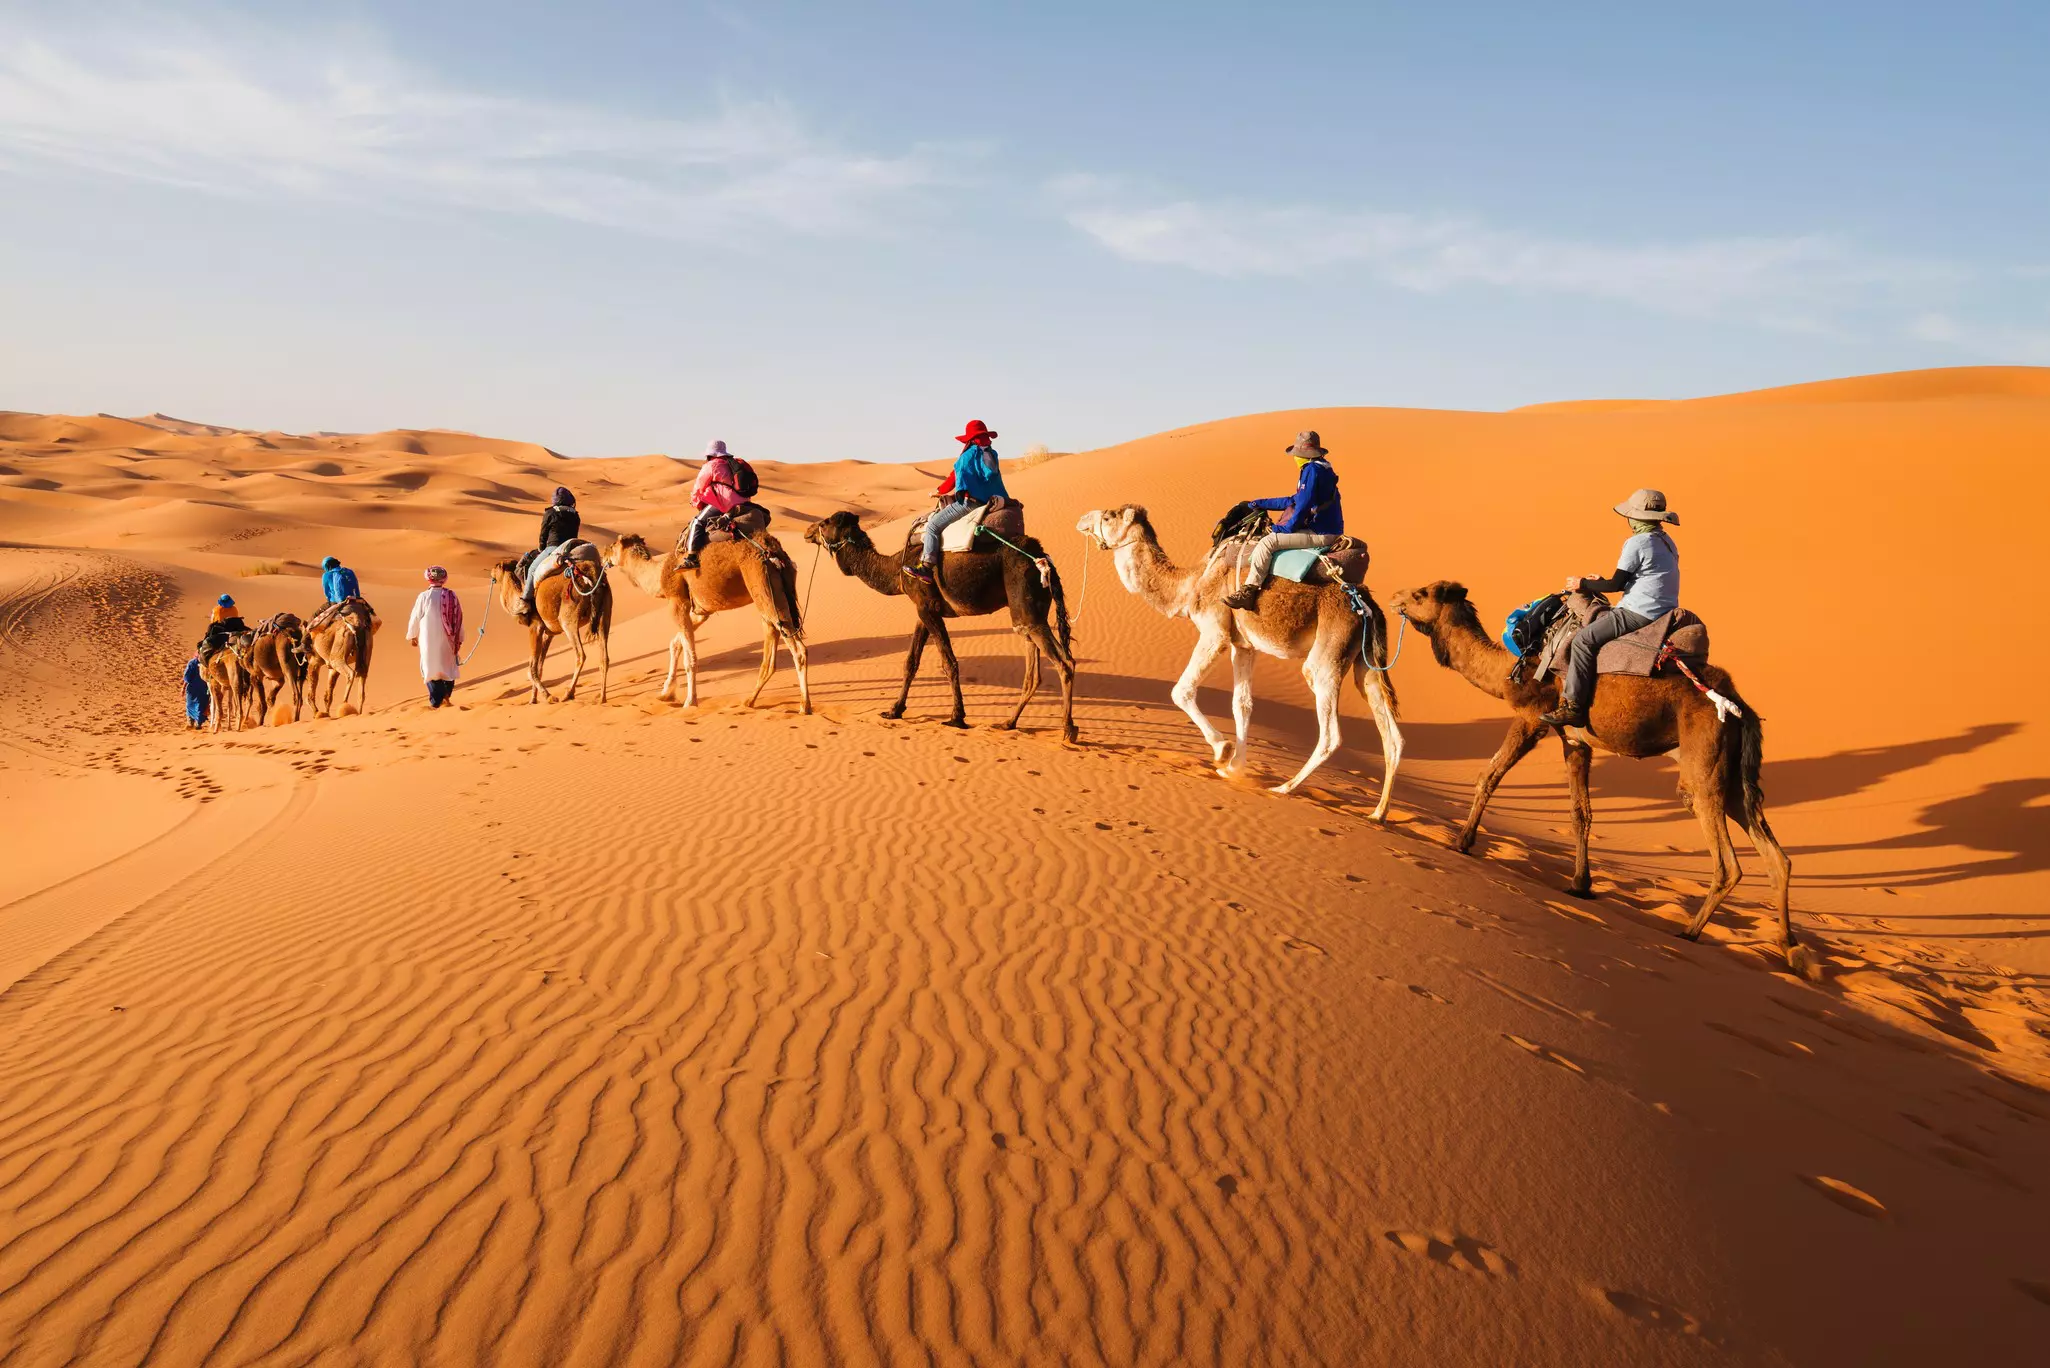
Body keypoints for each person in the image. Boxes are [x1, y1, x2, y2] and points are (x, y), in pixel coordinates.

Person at [1538, 489, 1682, 730]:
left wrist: (1582, 584)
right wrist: (1599, 581)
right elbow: (1640, 577)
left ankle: (1573, 706)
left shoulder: (1637, 542)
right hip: (1664, 609)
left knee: (1583, 641)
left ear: (1636, 518)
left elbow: (1616, 585)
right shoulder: (1666, 541)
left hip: (1639, 612)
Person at [1220, 431, 1345, 611]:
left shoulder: (1312, 471)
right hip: (1326, 529)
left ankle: (1249, 591)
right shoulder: (1322, 468)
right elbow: (1293, 500)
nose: (1294, 458)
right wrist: (1260, 503)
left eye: (1296, 454)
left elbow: (1302, 506)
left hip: (1321, 533)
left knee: (1267, 542)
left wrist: (1285, 529)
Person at [907, 420, 1007, 584]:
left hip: (971, 503)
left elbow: (955, 477)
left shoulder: (967, 456)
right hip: (991, 501)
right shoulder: (992, 454)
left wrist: (939, 491)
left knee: (932, 526)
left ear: (970, 439)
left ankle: (926, 568)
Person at [679, 440, 747, 570]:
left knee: (697, 522)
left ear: (710, 454)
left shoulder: (711, 465)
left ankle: (692, 558)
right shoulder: (732, 465)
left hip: (725, 502)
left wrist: (695, 501)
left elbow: (699, 487)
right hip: (744, 502)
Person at [406, 565, 466, 708]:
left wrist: (412, 635)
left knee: (429, 668)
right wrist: (460, 638)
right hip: (448, 638)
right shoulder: (452, 596)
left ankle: (437, 702)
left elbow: (415, 616)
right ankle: (445, 697)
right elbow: (459, 618)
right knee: (448, 668)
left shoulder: (424, 596)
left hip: (428, 639)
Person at [521, 486, 581, 616]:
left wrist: (541, 548)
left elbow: (543, 535)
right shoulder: (575, 515)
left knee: (532, 569)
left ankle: (525, 601)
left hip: (554, 548)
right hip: (571, 548)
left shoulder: (551, 513)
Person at [183, 653, 209, 729]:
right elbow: (187, 678)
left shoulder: (205, 663)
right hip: (193, 689)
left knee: (200, 706)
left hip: (203, 689)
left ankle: (197, 723)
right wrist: (183, 688)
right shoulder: (193, 663)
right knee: (191, 705)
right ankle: (191, 722)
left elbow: (187, 677)